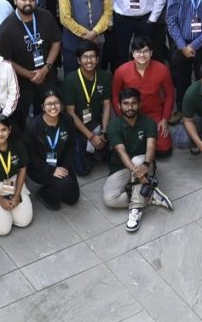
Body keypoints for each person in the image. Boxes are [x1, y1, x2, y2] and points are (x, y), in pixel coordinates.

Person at [103, 88, 175, 233]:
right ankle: (150, 195)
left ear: (139, 104)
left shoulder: (149, 123)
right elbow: (121, 152)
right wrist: (135, 171)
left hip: (145, 163)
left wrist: (146, 165)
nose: (130, 107)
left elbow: (151, 147)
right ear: (119, 106)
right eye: (126, 103)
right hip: (121, 167)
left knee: (137, 160)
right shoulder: (113, 126)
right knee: (110, 199)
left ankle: (136, 209)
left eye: (133, 103)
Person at [0, 0, 63, 120]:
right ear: (15, 0)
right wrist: (30, 75)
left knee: (48, 114)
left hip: (47, 75)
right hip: (21, 81)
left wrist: (45, 68)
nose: (28, 2)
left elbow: (56, 42)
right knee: (22, 118)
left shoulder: (46, 16)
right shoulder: (6, 28)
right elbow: (6, 60)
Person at [112, 36, 175, 156]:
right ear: (133, 53)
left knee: (164, 150)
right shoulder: (121, 71)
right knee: (124, 148)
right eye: (138, 51)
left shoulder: (162, 69)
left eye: (145, 51)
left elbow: (169, 95)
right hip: (130, 115)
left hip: (154, 114)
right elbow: (115, 96)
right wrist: (121, 118)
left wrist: (164, 119)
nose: (142, 55)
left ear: (151, 52)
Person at [62, 41, 112, 176]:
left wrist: (105, 132)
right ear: (79, 60)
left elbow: (107, 104)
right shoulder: (71, 79)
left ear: (97, 59)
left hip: (96, 123)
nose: (89, 61)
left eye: (92, 57)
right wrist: (91, 137)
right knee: (82, 170)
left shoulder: (105, 76)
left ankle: (96, 150)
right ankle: (89, 149)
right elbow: (70, 113)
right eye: (85, 57)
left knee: (113, 155)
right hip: (77, 126)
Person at [24, 89, 80, 209]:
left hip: (61, 162)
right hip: (40, 168)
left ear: (61, 104)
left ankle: (57, 186)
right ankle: (44, 194)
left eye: (56, 103)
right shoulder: (32, 126)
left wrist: (65, 167)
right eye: (49, 104)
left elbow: (71, 145)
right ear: (43, 107)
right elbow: (30, 155)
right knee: (65, 183)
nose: (53, 107)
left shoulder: (67, 120)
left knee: (72, 199)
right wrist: (51, 170)